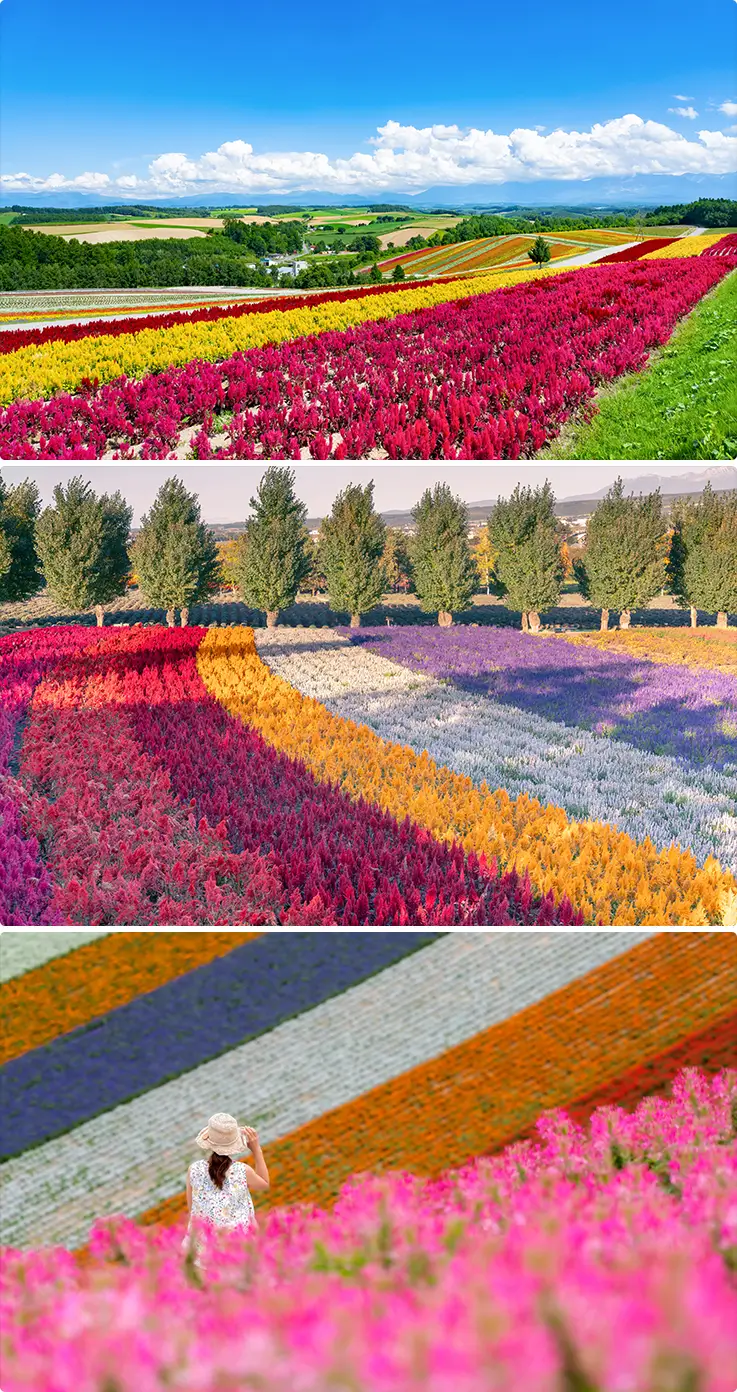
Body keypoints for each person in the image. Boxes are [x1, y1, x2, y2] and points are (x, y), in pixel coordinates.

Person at [182, 1111, 269, 1265]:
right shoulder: (242, 1171)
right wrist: (256, 1150)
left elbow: (192, 1209)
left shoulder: (194, 1170)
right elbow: (264, 1183)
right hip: (237, 1249)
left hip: (202, 1250)